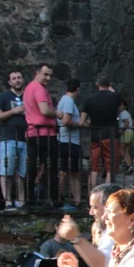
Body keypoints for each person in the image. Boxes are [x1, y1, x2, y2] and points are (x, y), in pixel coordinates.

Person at [24, 63, 59, 207]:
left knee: (32, 167)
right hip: (45, 133)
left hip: (33, 132)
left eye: (50, 75)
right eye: (45, 74)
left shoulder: (28, 88)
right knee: (52, 168)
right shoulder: (39, 89)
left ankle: (30, 199)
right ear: (37, 73)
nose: (48, 78)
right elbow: (45, 110)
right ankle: (55, 201)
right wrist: (58, 114)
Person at [0, 69, 28, 209]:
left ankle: (21, 201)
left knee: (22, 172)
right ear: (9, 82)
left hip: (25, 139)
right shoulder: (4, 96)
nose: (17, 80)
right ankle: (8, 201)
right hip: (9, 139)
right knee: (7, 171)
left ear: (23, 79)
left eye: (19, 77)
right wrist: (13, 111)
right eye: (14, 78)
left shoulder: (27, 96)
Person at [82, 74, 122, 188]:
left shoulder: (89, 99)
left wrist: (90, 126)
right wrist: (112, 90)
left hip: (95, 136)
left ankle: (91, 196)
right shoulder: (114, 97)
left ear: (97, 84)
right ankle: (107, 196)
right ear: (109, 84)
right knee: (110, 169)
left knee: (94, 169)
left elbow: (82, 121)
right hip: (111, 135)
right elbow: (119, 108)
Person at [56, 78, 86, 212]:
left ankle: (77, 200)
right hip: (68, 141)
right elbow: (66, 121)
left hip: (69, 141)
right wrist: (79, 124)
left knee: (74, 172)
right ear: (78, 89)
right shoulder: (68, 101)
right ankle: (58, 198)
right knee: (65, 171)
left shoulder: (65, 100)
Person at [118, 97, 134, 174]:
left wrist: (121, 131)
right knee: (126, 151)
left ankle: (128, 165)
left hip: (126, 132)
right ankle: (130, 166)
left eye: (121, 105)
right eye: (119, 105)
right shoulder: (126, 113)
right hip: (130, 131)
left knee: (121, 149)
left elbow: (126, 122)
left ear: (125, 106)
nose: (119, 106)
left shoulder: (123, 113)